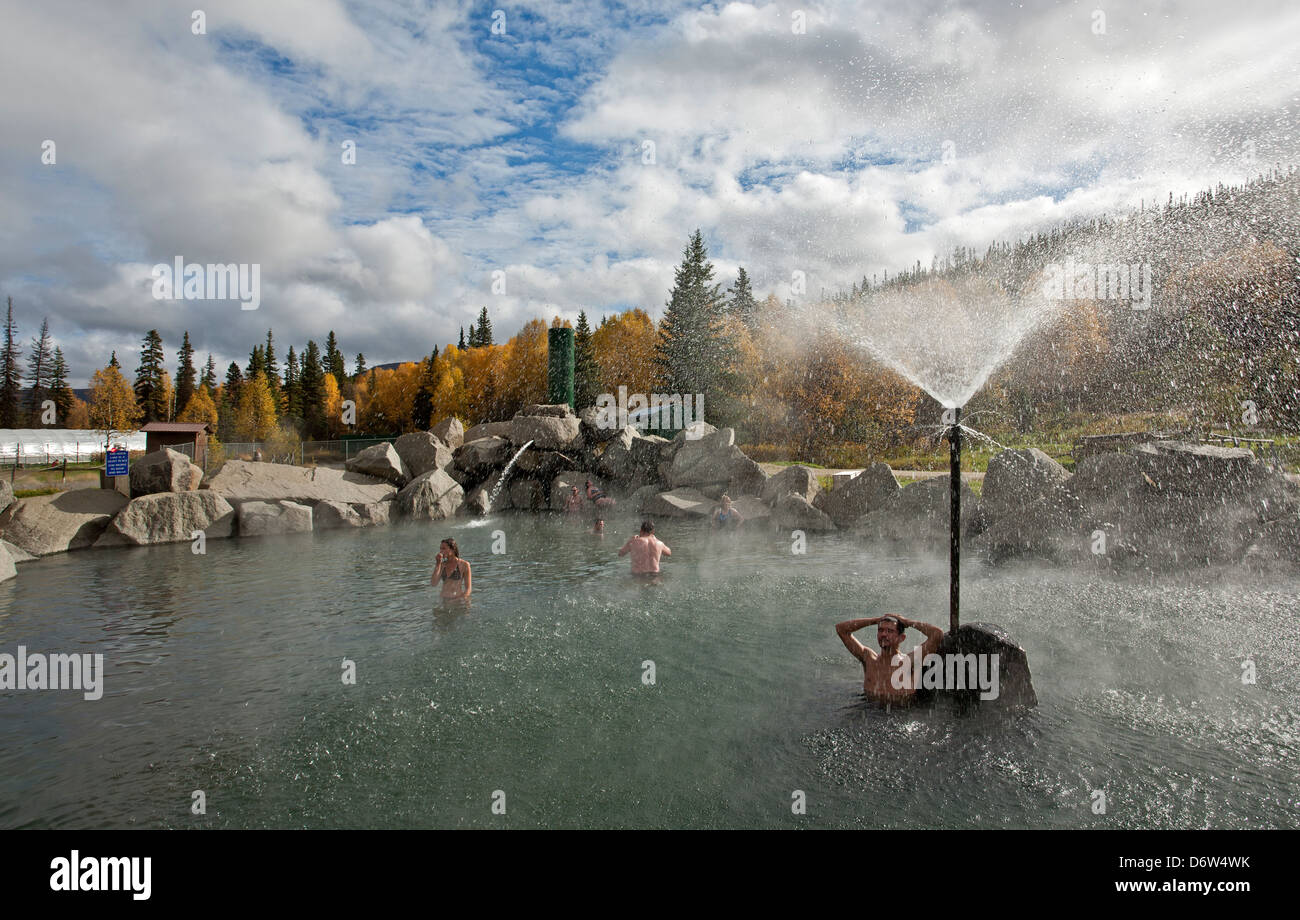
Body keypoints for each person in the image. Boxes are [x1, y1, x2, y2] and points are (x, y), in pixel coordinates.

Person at [834, 615, 943, 705]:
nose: (884, 634)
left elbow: (937, 634)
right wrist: (874, 620)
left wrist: (907, 622)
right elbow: (841, 629)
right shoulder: (869, 658)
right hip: (869, 709)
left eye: (890, 631)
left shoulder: (910, 661)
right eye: (880, 630)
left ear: (901, 638)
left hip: (901, 713)